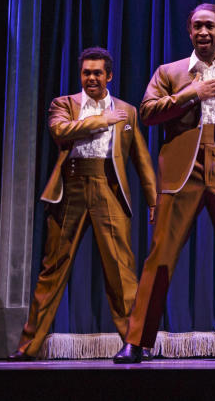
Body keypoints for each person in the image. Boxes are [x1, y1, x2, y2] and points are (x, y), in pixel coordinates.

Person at [113, 4, 215, 364]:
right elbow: (148, 112)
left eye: (210, 26)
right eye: (197, 26)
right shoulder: (170, 72)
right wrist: (192, 93)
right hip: (183, 169)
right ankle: (136, 342)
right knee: (161, 258)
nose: (203, 32)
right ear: (189, 32)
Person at [9, 47, 157, 360]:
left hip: (109, 189)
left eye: (97, 73)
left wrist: (154, 200)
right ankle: (28, 347)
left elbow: (141, 159)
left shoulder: (127, 111)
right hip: (71, 190)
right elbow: (59, 131)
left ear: (109, 76)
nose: (91, 78)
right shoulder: (64, 104)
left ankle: (133, 344)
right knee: (52, 270)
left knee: (121, 273)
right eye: (86, 73)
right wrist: (101, 120)